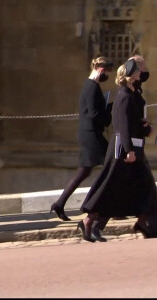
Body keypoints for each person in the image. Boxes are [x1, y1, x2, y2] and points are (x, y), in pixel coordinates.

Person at [78, 59, 157, 242]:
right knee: (110, 186)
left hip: (131, 147)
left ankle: (144, 222)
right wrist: (129, 151)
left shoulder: (131, 93)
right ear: (130, 76)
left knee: (139, 187)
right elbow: (122, 126)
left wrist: (144, 127)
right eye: (137, 72)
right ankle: (90, 220)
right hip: (123, 149)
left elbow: (132, 123)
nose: (140, 74)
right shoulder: (124, 95)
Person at [50, 56, 113, 221]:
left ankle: (59, 204)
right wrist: (109, 113)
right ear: (101, 70)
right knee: (112, 165)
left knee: (84, 171)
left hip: (89, 133)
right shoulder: (92, 87)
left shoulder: (90, 85)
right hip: (91, 134)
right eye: (107, 72)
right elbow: (94, 113)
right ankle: (96, 206)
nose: (108, 76)